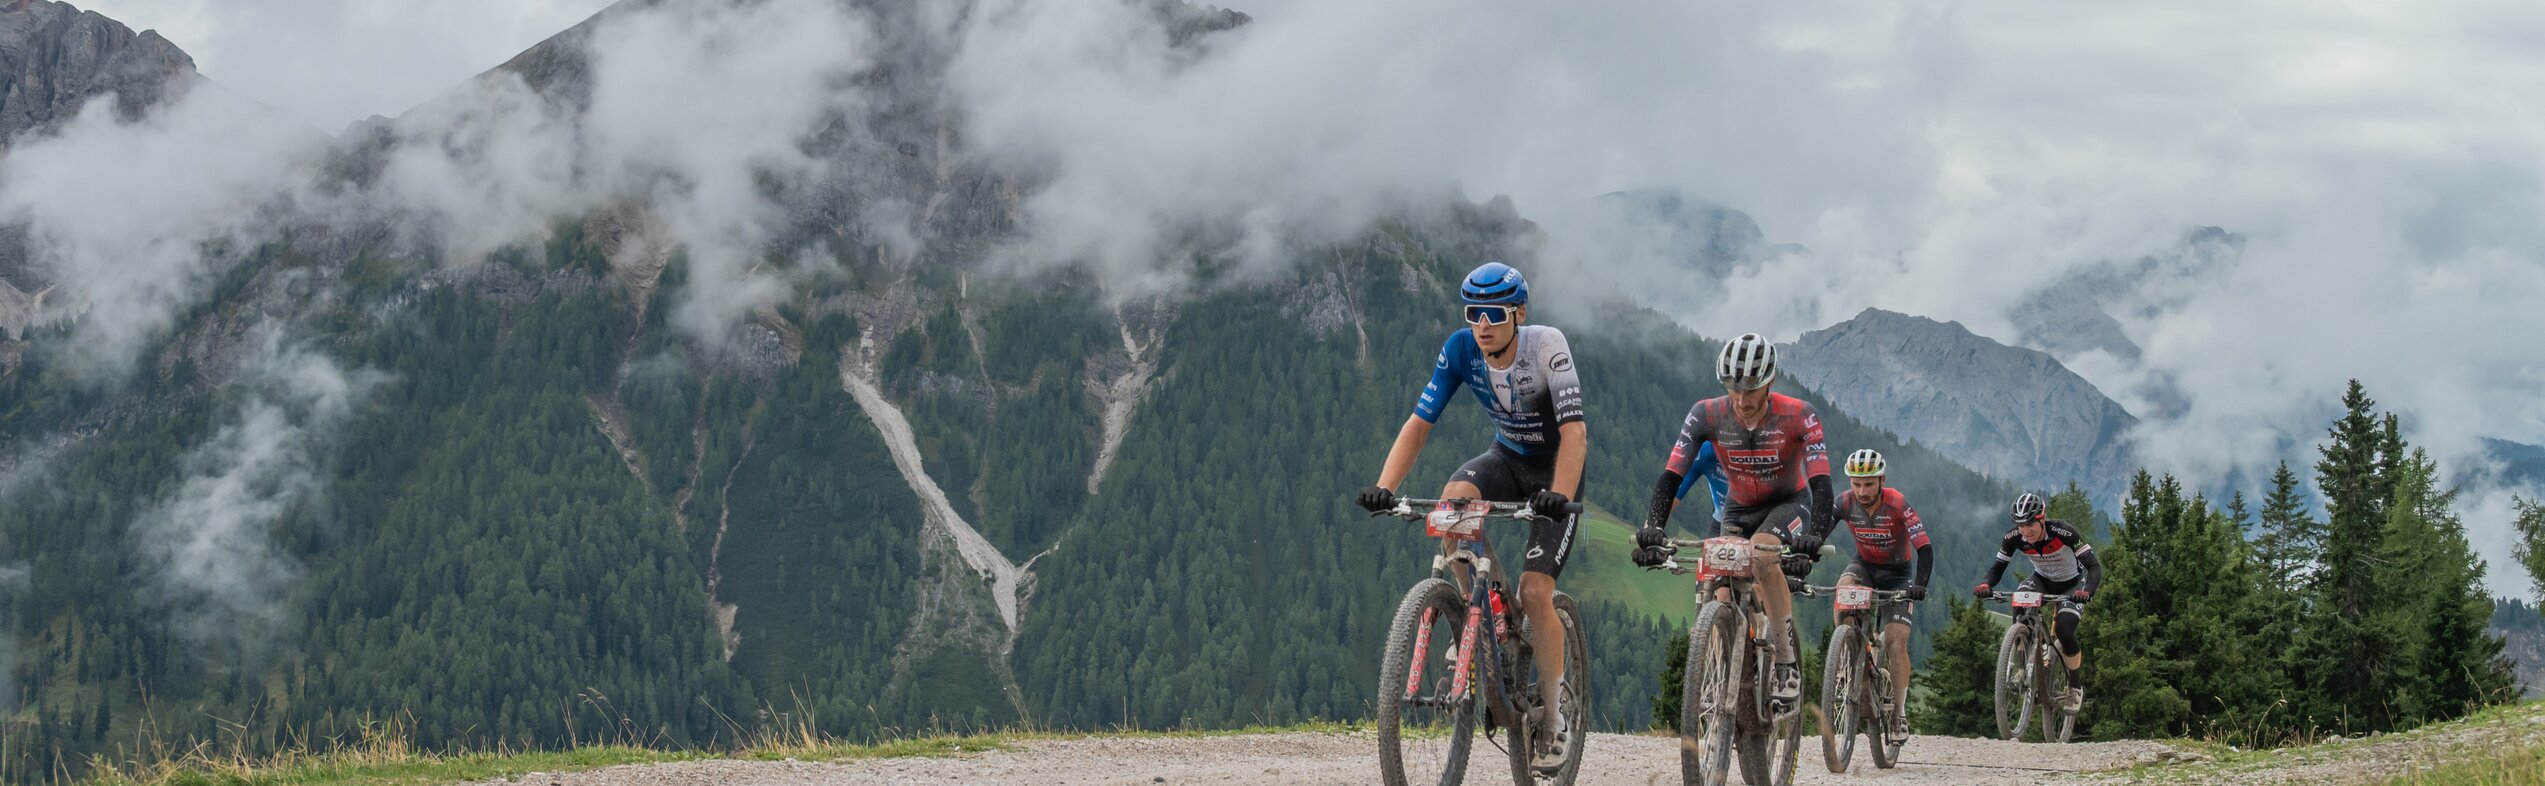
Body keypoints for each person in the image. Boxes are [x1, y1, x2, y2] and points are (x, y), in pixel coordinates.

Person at [1356, 261, 1588, 770]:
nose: (1481, 324)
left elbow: (1574, 432)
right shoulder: (1461, 349)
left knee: (1535, 592)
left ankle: (1555, 716)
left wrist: (1561, 493)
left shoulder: (1547, 346)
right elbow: (1420, 422)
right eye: (1472, 313)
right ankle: (1475, 621)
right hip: (1505, 458)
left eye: (1493, 313)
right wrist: (1384, 487)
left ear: (1518, 313)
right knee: (1452, 503)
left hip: (1554, 472)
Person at [1633, 333, 1836, 703]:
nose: (1742, 399)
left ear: (1770, 381)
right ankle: (1732, 678)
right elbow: (1672, 475)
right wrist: (1654, 528)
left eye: (1752, 388)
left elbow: (1822, 481)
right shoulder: (1706, 414)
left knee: (1761, 555)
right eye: (1732, 387)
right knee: (1720, 588)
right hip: (1738, 509)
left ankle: (1785, 659)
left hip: (1789, 502)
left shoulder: (1799, 414)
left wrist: (1816, 535)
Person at [1972, 492, 2102, 713]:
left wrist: (2087, 590)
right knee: (2019, 602)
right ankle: (2023, 665)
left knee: (2064, 630)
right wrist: (1986, 584)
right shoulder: (2013, 537)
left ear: (2042, 519)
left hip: (2072, 583)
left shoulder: (2063, 532)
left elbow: (2094, 567)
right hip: (2041, 579)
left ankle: (2074, 686)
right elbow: (1997, 568)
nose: (2025, 530)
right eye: (2020, 525)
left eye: (2030, 524)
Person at [1830, 449, 1930, 732]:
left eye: (1869, 484)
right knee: (1843, 590)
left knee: (1897, 641)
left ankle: (1898, 713)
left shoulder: (1898, 503)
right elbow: (1819, 530)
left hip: (1898, 574)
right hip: (1864, 565)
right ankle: (1849, 653)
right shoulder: (1845, 502)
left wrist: (1920, 584)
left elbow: (1924, 547)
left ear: (1881, 480)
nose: (1861, 491)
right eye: (1856, 483)